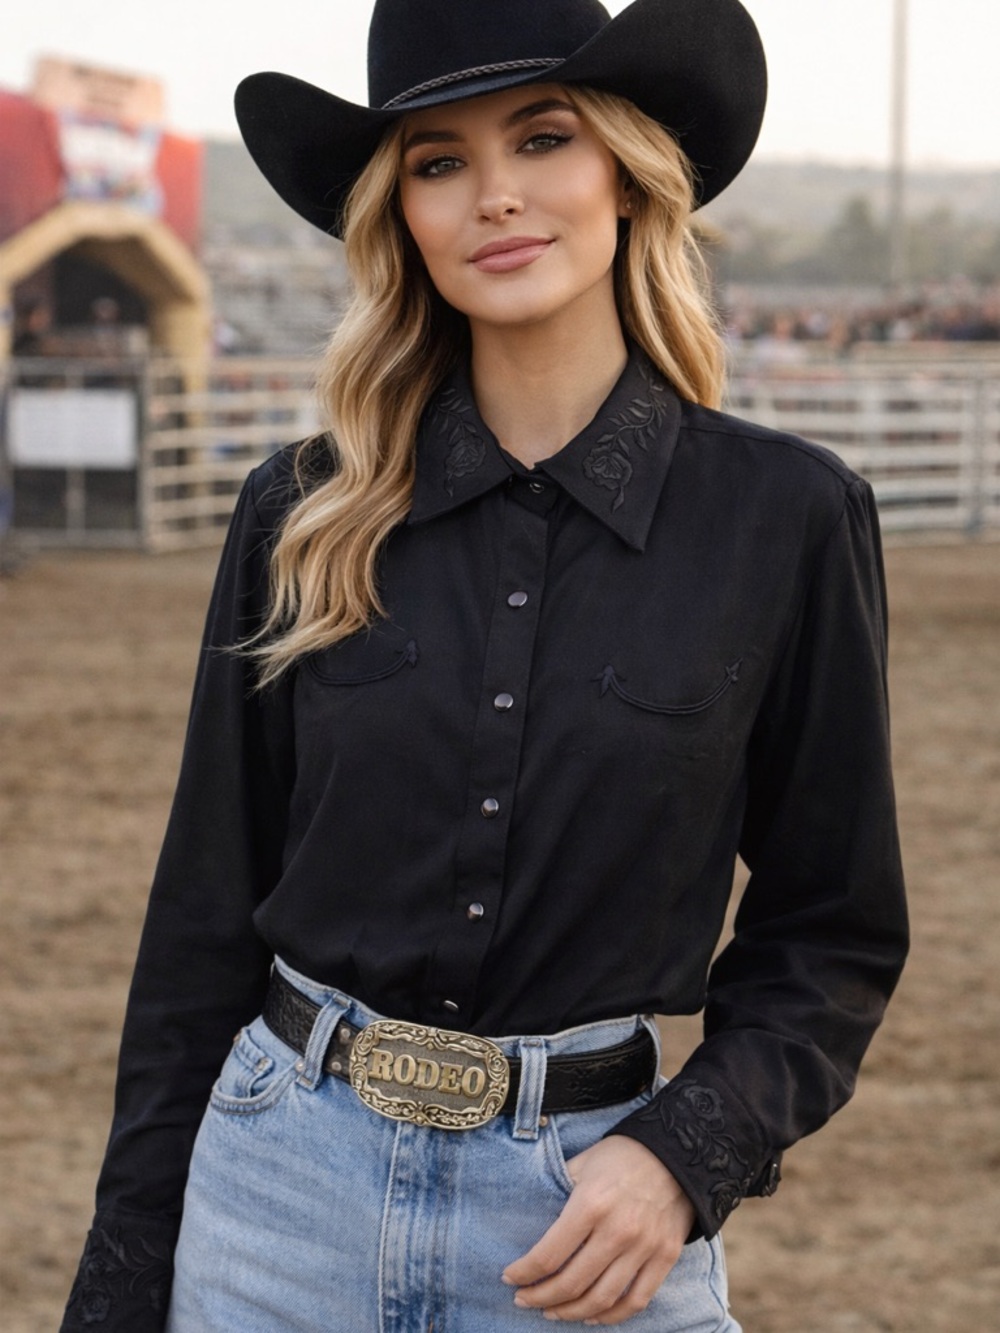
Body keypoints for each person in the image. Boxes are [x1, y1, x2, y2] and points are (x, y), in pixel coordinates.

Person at [61, 1, 908, 1329]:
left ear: (625, 176)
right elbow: (199, 927)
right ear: (400, 214)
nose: (495, 196)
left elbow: (835, 927)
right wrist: (116, 1291)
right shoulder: (302, 511)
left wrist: (686, 1155)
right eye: (439, 160)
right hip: (279, 1201)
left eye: (544, 138)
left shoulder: (787, 518)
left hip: (589, 1225)